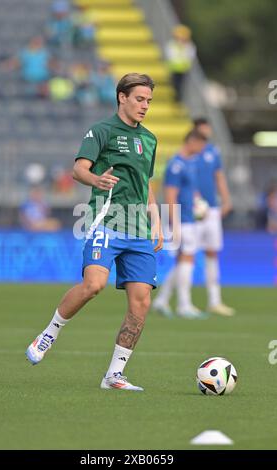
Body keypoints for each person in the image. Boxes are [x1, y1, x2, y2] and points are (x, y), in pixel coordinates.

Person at [25, 73, 163, 391]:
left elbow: (146, 184)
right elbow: (79, 170)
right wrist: (96, 180)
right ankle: (49, 333)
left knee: (141, 303)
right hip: (107, 222)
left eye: (149, 101)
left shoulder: (150, 139)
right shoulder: (101, 131)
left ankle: (114, 375)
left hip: (138, 230)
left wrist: (156, 220)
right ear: (122, 98)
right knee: (94, 284)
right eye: (140, 99)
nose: (145, 106)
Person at [152, 129, 208, 319]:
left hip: (189, 218)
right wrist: (174, 223)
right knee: (187, 259)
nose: (201, 150)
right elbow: (170, 195)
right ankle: (184, 304)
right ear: (191, 141)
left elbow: (191, 190)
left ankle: (162, 299)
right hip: (181, 220)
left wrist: (199, 203)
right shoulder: (176, 165)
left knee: (183, 261)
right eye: (200, 144)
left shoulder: (189, 163)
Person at [193, 117, 235, 316]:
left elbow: (219, 176)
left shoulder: (212, 152)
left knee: (211, 253)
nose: (206, 132)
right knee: (187, 255)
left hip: (211, 209)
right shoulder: (191, 152)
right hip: (193, 210)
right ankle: (169, 299)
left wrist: (226, 199)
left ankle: (214, 300)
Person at [164, 24, 196, 102]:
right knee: (175, 83)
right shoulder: (172, 44)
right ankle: (176, 96)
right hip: (174, 68)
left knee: (180, 85)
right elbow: (169, 55)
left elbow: (191, 56)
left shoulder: (189, 46)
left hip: (183, 68)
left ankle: (178, 97)